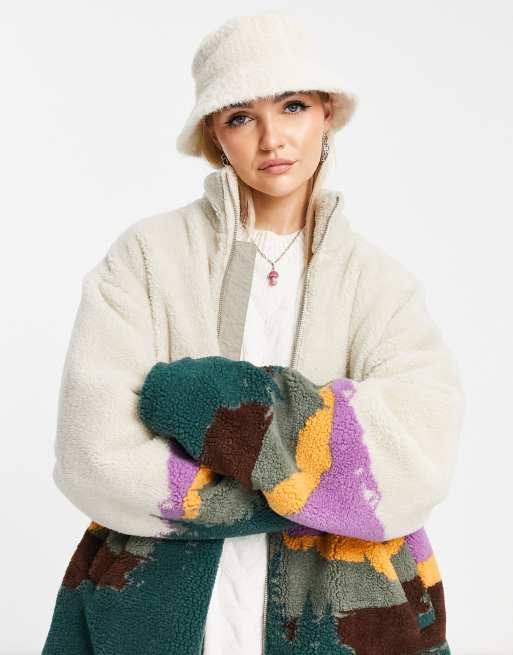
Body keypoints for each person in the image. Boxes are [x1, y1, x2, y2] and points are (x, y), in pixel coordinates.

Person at [42, 11, 465, 655]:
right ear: (215, 134)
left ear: (326, 113)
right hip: (158, 608)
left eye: (293, 106)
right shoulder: (146, 258)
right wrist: (319, 480)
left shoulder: (380, 284)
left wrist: (217, 416)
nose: (272, 138)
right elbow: (91, 454)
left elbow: (417, 459)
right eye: (241, 116)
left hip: (342, 617)